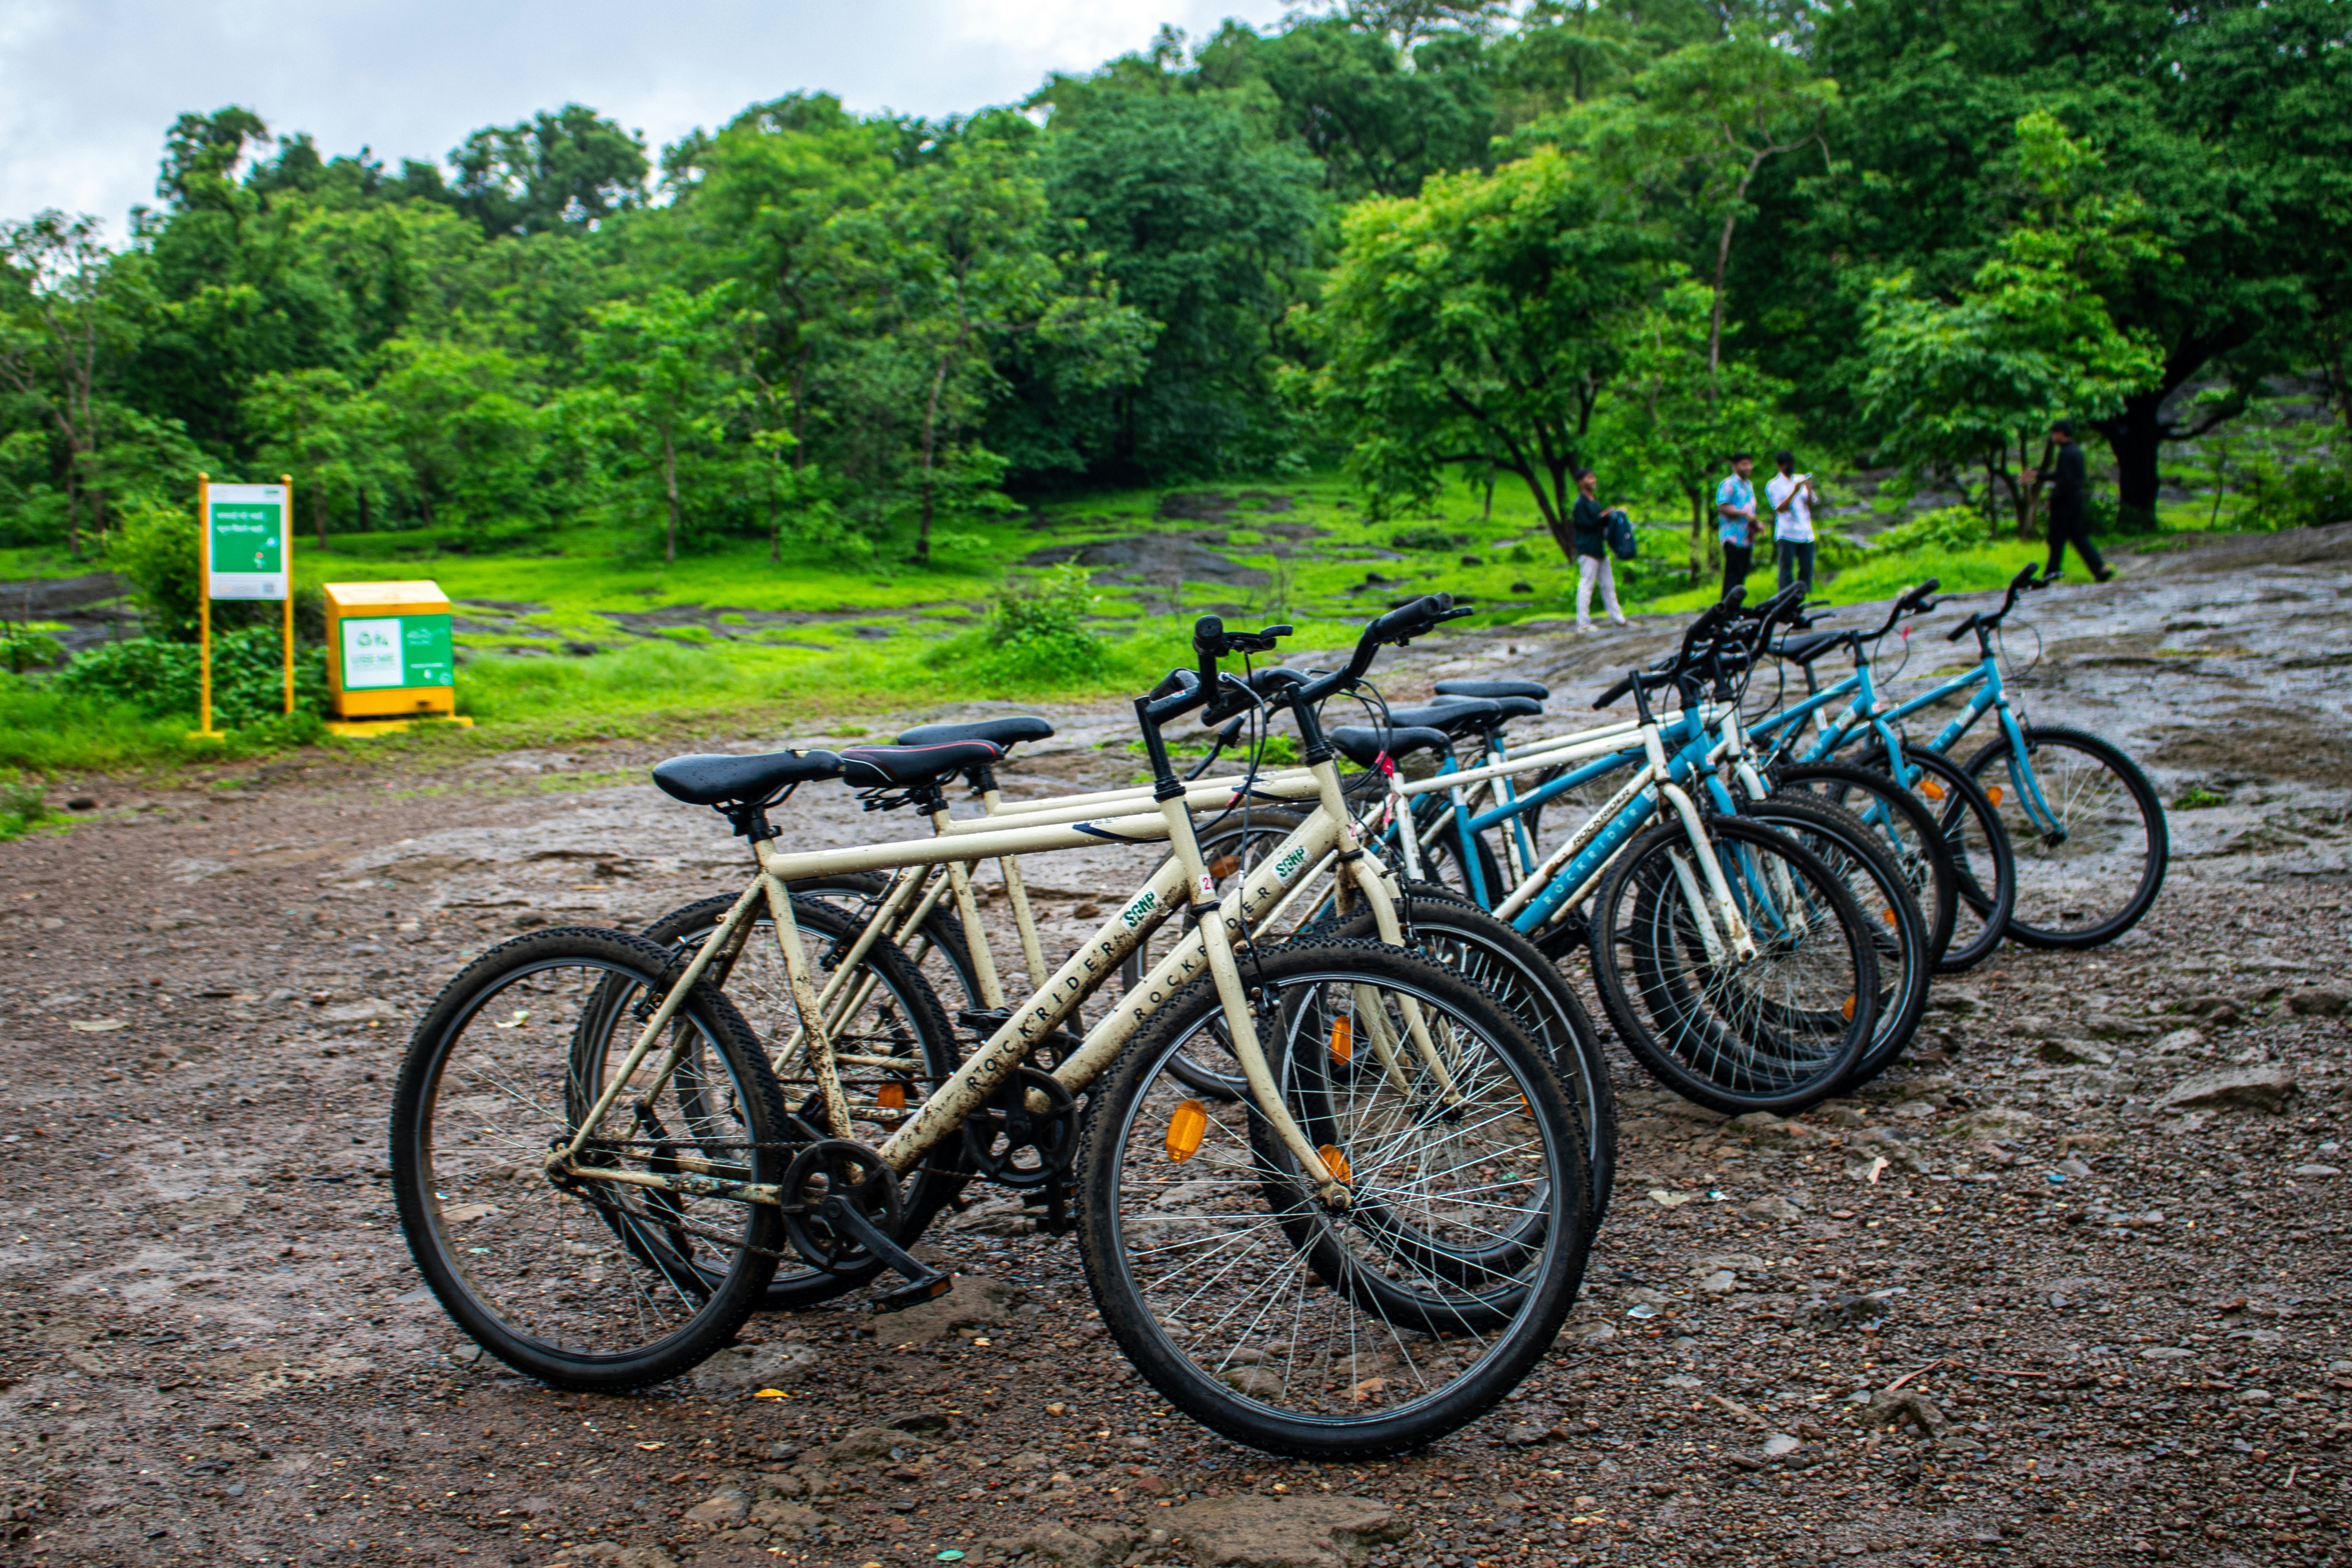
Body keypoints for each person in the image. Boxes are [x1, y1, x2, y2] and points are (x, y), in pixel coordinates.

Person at [2025, 418, 2114, 582]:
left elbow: (2064, 480)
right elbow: (2064, 476)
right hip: (2076, 499)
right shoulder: (2076, 451)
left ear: (2061, 434)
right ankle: (2100, 568)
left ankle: (2052, 573)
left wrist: (2053, 498)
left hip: (2065, 501)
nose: (2053, 437)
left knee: (2057, 537)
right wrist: (2039, 474)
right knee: (2076, 536)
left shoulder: (2065, 453)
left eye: (2054, 434)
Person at [1568, 467, 1627, 631]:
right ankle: (1584, 624)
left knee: (1609, 585)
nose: (1593, 480)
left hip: (1599, 548)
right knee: (1587, 585)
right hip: (1588, 549)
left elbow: (1600, 524)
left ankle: (1619, 618)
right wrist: (1603, 516)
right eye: (1589, 478)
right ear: (1581, 483)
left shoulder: (1594, 501)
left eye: (1593, 477)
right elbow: (1587, 524)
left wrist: (1615, 515)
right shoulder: (1580, 504)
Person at [1765, 450, 1819, 595]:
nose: (1790, 468)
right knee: (1786, 567)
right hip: (1787, 532)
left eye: (1792, 465)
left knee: (1807, 566)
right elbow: (1780, 509)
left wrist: (1808, 491)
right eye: (1787, 465)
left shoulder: (1800, 479)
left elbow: (1811, 505)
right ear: (1780, 466)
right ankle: (1786, 595)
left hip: (1805, 531)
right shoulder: (1773, 485)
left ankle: (1804, 594)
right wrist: (1794, 492)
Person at [1715, 452, 1757, 601]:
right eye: (1744, 464)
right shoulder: (1729, 485)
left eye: (1749, 464)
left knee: (1741, 575)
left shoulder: (1749, 485)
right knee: (1732, 575)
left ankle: (1736, 609)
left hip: (1746, 537)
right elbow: (1722, 507)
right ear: (1735, 466)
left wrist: (1756, 524)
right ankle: (1725, 610)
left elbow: (1750, 509)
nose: (1748, 468)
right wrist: (1744, 514)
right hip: (1732, 536)